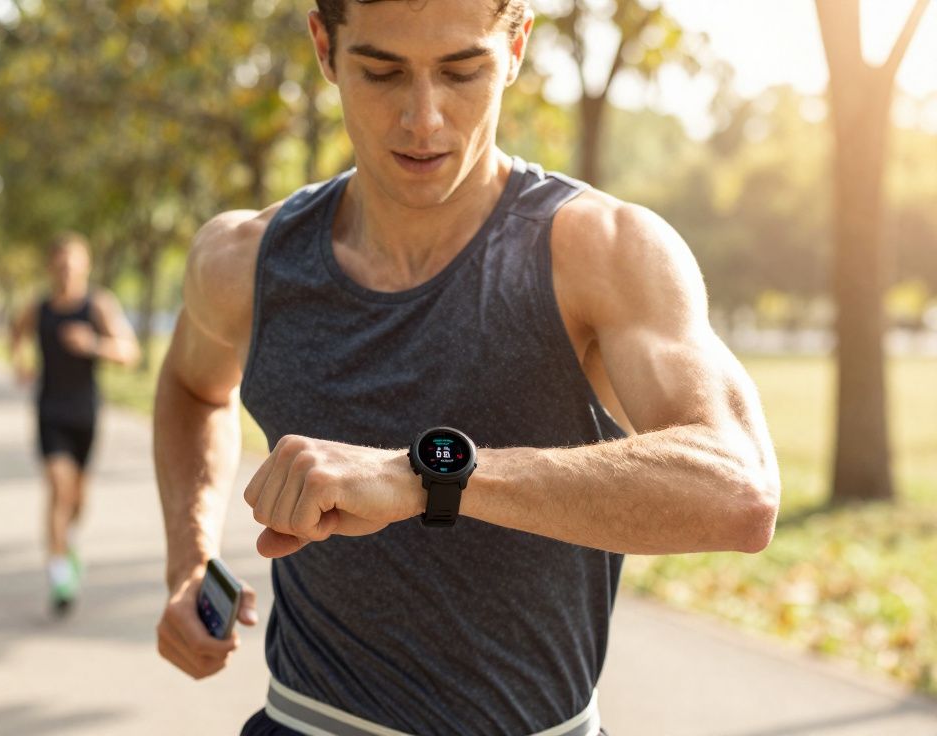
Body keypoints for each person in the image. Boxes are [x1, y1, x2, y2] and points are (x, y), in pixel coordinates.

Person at [153, 1, 781, 734]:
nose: (423, 119)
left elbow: (739, 490)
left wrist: (424, 479)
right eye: (382, 72)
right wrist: (189, 561)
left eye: (462, 70)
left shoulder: (602, 252)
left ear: (516, 47)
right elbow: (193, 388)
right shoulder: (244, 260)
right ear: (325, 47)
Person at [11, 233, 141, 613]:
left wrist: (94, 345)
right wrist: (20, 363)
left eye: (73, 262)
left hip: (85, 413)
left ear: (85, 265)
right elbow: (15, 333)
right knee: (58, 488)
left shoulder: (97, 306)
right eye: (60, 262)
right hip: (49, 412)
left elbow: (129, 352)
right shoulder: (39, 308)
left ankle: (65, 548)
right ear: (52, 267)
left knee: (78, 502)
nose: (66, 269)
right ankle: (59, 575)